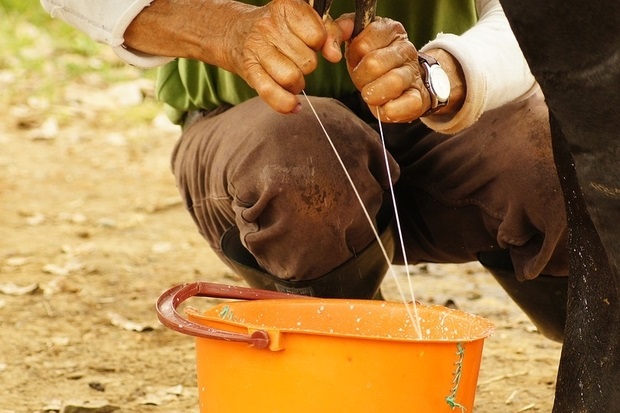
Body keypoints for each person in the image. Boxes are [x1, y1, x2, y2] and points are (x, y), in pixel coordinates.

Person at [41, 0, 569, 341]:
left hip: (433, 118)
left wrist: (447, 73)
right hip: (254, 142)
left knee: (567, 158)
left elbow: (557, 19)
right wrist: (226, 30)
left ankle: (595, 360)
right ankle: (345, 372)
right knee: (298, 160)